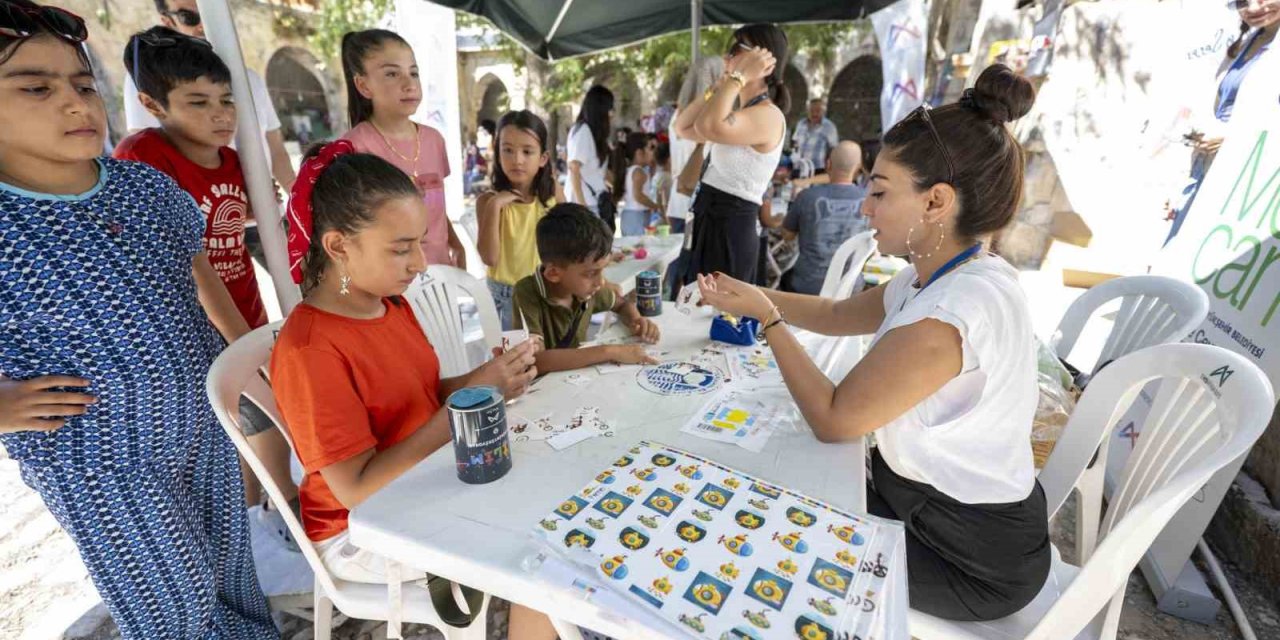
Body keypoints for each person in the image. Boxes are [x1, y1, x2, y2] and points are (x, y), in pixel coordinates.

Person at [696, 64, 1050, 621]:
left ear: (936, 202)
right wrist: (751, 292)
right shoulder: (936, 274)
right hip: (923, 507)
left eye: (880, 192)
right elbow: (838, 313)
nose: (865, 208)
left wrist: (767, 318)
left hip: (969, 559)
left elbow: (835, 418)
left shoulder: (955, 310)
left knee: (765, 547)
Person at [0, 4, 275, 636]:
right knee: (169, 600)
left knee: (232, 573)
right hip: (96, 457)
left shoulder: (144, 189)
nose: (75, 103)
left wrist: (256, 366)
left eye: (82, 83)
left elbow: (209, 289)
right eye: (37, 87)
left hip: (204, 422)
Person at [269, 142, 558, 639]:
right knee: (541, 543)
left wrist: (483, 384)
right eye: (401, 248)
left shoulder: (389, 304)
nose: (419, 264)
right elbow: (355, 488)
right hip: (359, 527)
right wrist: (463, 406)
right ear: (338, 246)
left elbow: (421, 394)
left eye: (420, 243)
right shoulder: (310, 351)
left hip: (420, 477)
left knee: (549, 490)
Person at [113, 26, 301, 543]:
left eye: (226, 101)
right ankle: (269, 510)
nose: (220, 114)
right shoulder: (144, 157)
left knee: (257, 412)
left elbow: (255, 240)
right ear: (153, 104)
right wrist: (242, 338)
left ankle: (265, 508)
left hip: (244, 311)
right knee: (242, 417)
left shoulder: (238, 163)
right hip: (192, 326)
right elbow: (192, 267)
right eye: (198, 102)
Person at [125, 0, 295, 193]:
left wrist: (301, 205)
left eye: (226, 100)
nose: (203, 24)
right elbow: (147, 160)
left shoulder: (250, 79)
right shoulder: (148, 81)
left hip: (266, 215)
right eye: (189, 17)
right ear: (168, 22)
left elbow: (276, 150)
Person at [674, 23, 790, 286]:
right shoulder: (741, 111)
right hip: (710, 222)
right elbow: (683, 127)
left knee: (721, 319)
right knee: (698, 314)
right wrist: (718, 87)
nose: (727, 57)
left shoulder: (768, 116)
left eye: (736, 49)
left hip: (730, 229)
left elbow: (708, 126)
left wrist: (736, 79)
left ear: (764, 61)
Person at [340, 29, 466, 270]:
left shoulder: (434, 139)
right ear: (363, 85)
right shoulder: (355, 148)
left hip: (440, 272)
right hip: (390, 279)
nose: (409, 84)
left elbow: (437, 207)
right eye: (392, 74)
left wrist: (455, 242)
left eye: (413, 73)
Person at [1166, 0, 1277, 244]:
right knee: (1176, 252)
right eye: (1242, 2)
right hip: (1205, 167)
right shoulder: (1246, 42)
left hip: (1246, 180)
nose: (1253, 8)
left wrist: (1234, 139)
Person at [513, 204, 660, 374]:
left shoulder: (588, 289)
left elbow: (621, 304)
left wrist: (636, 320)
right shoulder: (526, 293)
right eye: (591, 273)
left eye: (602, 270)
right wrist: (610, 351)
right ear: (554, 273)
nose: (601, 282)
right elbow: (535, 360)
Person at [477, 110, 563, 330]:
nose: (517, 160)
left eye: (527, 151)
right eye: (507, 150)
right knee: (514, 361)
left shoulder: (552, 195)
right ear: (497, 153)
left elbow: (570, 241)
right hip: (508, 297)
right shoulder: (488, 201)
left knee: (547, 359)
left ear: (542, 158)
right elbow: (490, 258)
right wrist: (495, 206)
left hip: (547, 291)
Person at [780, 141, 869, 295]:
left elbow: (787, 235)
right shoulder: (869, 201)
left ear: (828, 164)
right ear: (858, 168)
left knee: (785, 278)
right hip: (850, 287)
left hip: (808, 286)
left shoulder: (807, 196)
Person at [566, 85, 614, 228]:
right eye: (610, 108)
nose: (611, 113)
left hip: (594, 202)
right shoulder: (583, 132)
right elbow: (574, 168)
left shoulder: (590, 133)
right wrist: (583, 208)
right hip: (586, 205)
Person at [619, 132, 661, 236]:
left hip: (630, 215)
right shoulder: (639, 172)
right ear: (639, 153)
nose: (652, 153)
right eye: (649, 148)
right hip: (637, 216)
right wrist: (655, 206)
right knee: (639, 247)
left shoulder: (631, 170)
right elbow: (638, 196)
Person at [791, 98, 839, 175]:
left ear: (823, 111)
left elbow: (833, 148)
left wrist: (829, 166)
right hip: (799, 167)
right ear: (807, 111)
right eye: (811, 110)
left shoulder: (829, 127)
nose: (814, 113)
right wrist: (794, 157)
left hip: (818, 168)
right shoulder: (801, 124)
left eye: (818, 111)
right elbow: (795, 141)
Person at [651, 141, 673, 224]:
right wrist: (669, 224)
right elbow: (665, 203)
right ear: (669, 159)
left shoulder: (657, 176)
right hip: (664, 221)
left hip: (656, 218)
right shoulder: (667, 179)